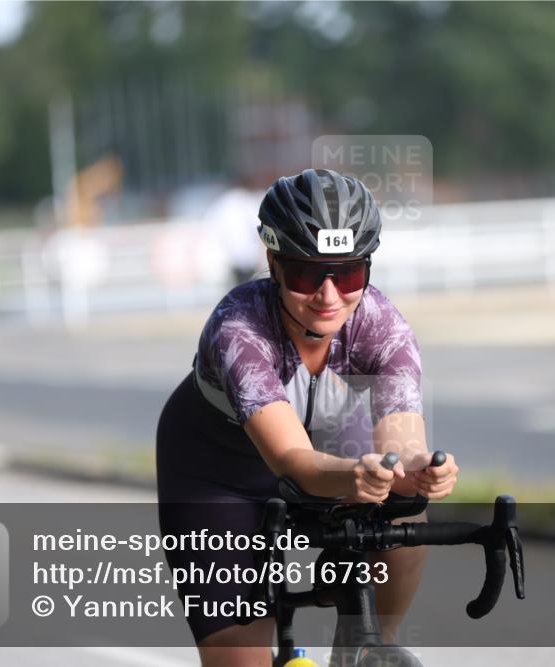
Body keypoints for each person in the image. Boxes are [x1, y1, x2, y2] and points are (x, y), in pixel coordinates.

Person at [156, 168, 459, 666]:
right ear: (273, 264)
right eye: (305, 274)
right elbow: (294, 461)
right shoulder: (239, 329)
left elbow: (402, 447)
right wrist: (357, 474)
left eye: (348, 274)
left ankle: (364, 652)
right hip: (219, 473)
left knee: (404, 514)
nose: (328, 296)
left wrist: (419, 469)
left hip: (333, 453)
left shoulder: (384, 327)